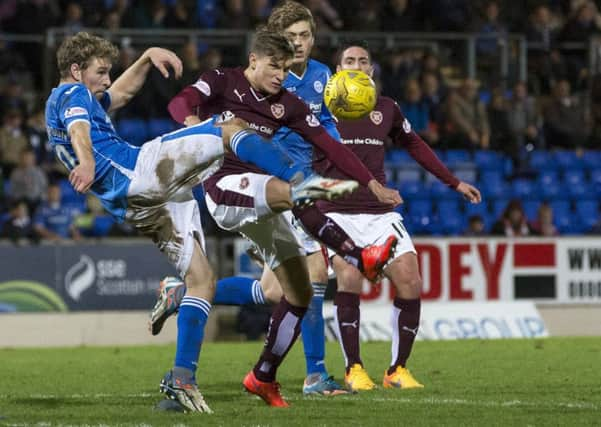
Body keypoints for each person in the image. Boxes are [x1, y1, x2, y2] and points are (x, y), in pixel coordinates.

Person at [44, 31, 353, 413]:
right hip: (140, 171)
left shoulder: (72, 100)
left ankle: (181, 379)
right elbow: (79, 128)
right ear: (75, 70)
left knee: (201, 281)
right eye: (100, 72)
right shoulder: (71, 95)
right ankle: (297, 180)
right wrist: (87, 161)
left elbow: (119, 96)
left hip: (135, 203)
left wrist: (144, 59)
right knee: (229, 126)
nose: (106, 80)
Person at [165, 28, 401, 407]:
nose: (280, 75)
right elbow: (181, 101)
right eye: (274, 67)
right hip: (223, 187)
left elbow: (330, 146)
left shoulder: (287, 104)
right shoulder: (221, 81)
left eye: (286, 68)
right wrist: (196, 124)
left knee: (296, 291)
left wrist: (370, 183)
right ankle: (359, 255)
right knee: (295, 189)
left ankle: (263, 375)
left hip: (259, 195)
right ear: (253, 60)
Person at [319, 41, 481, 391]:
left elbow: (415, 145)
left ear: (372, 71)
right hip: (334, 211)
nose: (357, 65)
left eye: (364, 60)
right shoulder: (320, 107)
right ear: (337, 71)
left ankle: (397, 369)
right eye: (349, 61)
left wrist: (453, 182)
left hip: (378, 213)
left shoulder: (386, 108)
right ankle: (354, 368)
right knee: (349, 277)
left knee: (410, 277)